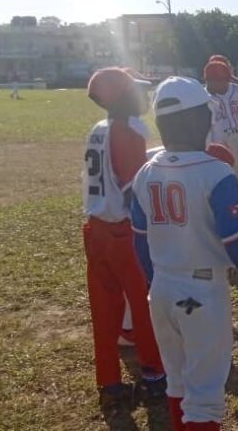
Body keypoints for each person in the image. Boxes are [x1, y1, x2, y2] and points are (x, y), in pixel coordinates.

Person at [131, 76, 238, 431]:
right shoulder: (217, 173)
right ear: (204, 121)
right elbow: (235, 240)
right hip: (203, 291)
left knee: (177, 383)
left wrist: (155, 282)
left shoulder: (145, 173)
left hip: (161, 288)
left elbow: (139, 241)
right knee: (205, 395)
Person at [81, 67, 167, 412]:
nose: (145, 97)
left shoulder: (98, 128)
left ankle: (109, 382)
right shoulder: (130, 128)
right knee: (144, 304)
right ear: (123, 97)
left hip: (94, 229)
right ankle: (153, 375)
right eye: (139, 91)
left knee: (104, 311)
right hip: (122, 233)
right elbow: (134, 189)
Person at [203, 58, 238, 185]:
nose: (228, 83)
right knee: (217, 173)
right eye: (225, 80)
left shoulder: (236, 91)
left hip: (235, 135)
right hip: (214, 139)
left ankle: (235, 195)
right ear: (210, 81)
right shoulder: (202, 98)